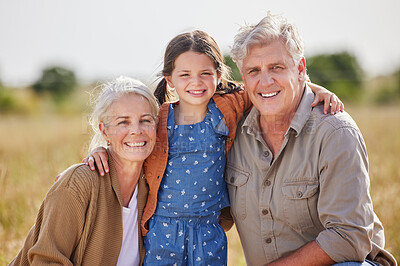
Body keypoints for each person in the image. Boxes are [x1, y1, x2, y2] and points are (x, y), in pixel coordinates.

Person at [83, 30, 343, 265]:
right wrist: (101, 151)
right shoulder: (158, 118)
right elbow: (129, 143)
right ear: (170, 79)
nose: (195, 82)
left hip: (209, 230)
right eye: (184, 75)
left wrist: (317, 90)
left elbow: (270, 87)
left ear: (218, 75)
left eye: (205, 74)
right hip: (163, 229)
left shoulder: (227, 108)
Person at [225, 12, 397, 265]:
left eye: (277, 67)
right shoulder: (232, 128)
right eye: (254, 70)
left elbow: (348, 238)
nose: (265, 80)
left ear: (301, 69)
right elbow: (192, 94)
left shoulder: (336, 132)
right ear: (243, 78)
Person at [9, 77, 159, 266]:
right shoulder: (78, 184)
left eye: (145, 120)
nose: (136, 131)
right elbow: (45, 261)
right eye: (123, 122)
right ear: (104, 131)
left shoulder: (154, 184)